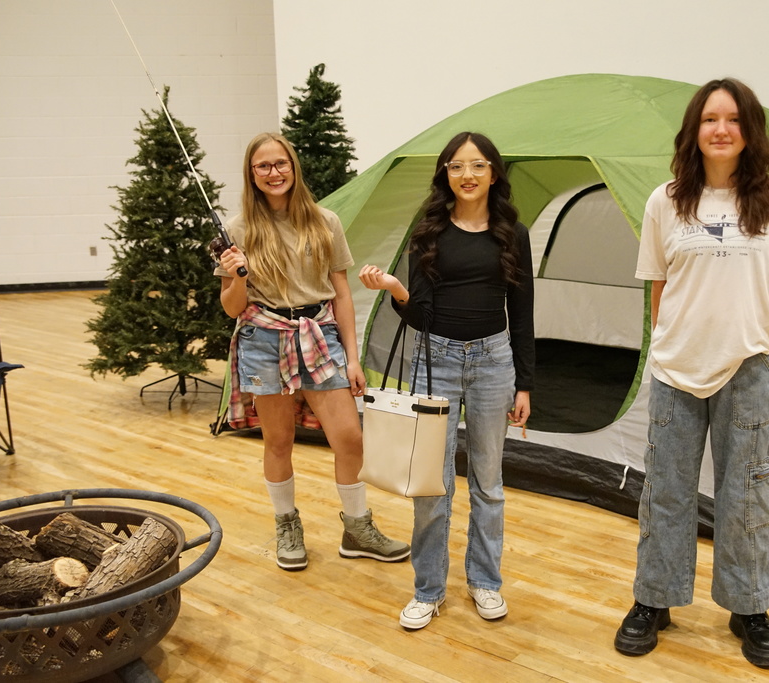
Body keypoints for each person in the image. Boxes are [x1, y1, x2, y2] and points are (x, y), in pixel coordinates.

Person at [614, 79, 769, 668]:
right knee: (666, 494)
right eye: (709, 119)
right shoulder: (664, 201)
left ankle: (748, 607)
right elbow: (660, 288)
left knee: (746, 496)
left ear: (749, 130)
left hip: (748, 370)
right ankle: (654, 599)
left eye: (732, 119)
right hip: (677, 373)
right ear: (693, 132)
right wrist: (669, 349)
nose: (720, 129)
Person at [358, 131, 535, 630]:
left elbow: (522, 313)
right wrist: (395, 289)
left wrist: (525, 383)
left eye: (477, 165)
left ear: (494, 173)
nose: (468, 175)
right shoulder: (429, 231)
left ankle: (485, 582)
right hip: (434, 362)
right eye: (457, 167)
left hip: (494, 363)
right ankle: (428, 589)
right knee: (430, 485)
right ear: (445, 174)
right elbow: (421, 315)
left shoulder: (513, 233)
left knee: (489, 484)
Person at [215, 132, 410, 571]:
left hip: (318, 336)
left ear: (293, 166)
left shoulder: (326, 221)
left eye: (280, 163)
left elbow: (341, 293)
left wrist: (354, 358)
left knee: (349, 438)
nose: (273, 172)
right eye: (263, 166)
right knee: (279, 440)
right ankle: (287, 524)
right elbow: (233, 308)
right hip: (264, 339)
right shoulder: (237, 229)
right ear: (252, 174)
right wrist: (237, 275)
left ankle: (357, 528)